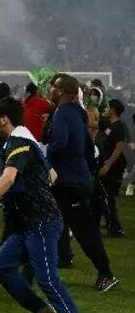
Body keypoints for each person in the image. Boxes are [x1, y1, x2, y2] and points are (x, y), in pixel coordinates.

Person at [0, 98, 98, 313]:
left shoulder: (19, 142)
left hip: (42, 223)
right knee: (2, 266)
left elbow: (8, 177)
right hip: (28, 224)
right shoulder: (26, 141)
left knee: (47, 279)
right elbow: (52, 174)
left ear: (4, 118)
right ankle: (41, 312)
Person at [45, 74, 118, 292]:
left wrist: (46, 162)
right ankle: (48, 263)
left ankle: (106, 273)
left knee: (84, 229)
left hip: (69, 180)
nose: (50, 89)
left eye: (54, 86)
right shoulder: (77, 114)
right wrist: (88, 170)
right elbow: (88, 145)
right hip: (76, 178)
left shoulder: (64, 113)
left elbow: (59, 142)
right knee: (51, 221)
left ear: (63, 91)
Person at [93, 98, 128, 237]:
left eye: (107, 108)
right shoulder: (108, 125)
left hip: (114, 168)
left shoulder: (119, 127)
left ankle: (115, 228)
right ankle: (108, 224)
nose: (105, 110)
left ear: (113, 110)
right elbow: (92, 123)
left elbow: (119, 147)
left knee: (108, 197)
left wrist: (108, 164)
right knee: (101, 195)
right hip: (106, 165)